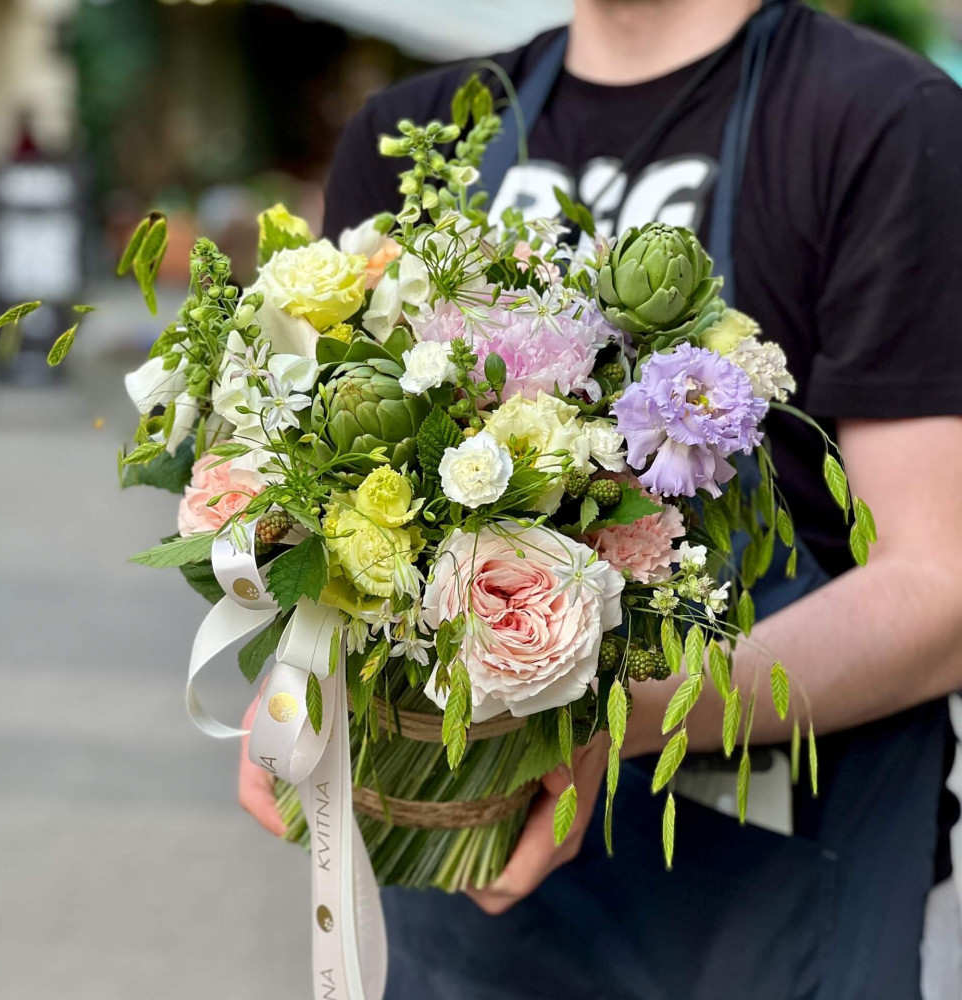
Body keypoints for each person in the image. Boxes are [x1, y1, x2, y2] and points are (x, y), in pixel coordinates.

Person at [240, 0, 962, 996]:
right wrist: (311, 672)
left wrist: (591, 716)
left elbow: (939, 587)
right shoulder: (420, 131)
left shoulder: (882, 121)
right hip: (466, 913)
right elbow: (335, 488)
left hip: (771, 896)